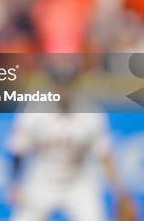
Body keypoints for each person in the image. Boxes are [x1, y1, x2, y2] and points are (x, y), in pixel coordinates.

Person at [7, 62, 137, 221]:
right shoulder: (34, 112)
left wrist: (120, 192)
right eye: (58, 82)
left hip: (78, 180)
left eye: (67, 82)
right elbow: (18, 149)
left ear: (75, 83)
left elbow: (105, 156)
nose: (63, 88)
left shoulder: (91, 114)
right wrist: (15, 183)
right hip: (42, 177)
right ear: (51, 83)